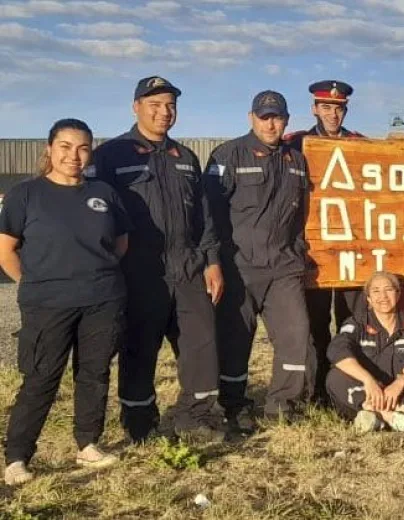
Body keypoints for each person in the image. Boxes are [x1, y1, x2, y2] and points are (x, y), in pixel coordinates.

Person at [90, 76, 226, 443]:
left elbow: (204, 218)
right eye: (155, 105)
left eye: (170, 106)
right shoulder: (109, 156)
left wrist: (212, 261)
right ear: (136, 107)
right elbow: (94, 214)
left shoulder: (185, 158)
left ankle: (197, 418)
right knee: (139, 348)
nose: (164, 112)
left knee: (200, 346)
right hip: (139, 270)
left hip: (188, 267)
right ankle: (139, 424)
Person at [1, 119, 130, 485]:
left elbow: (120, 244)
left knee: (94, 374)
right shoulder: (25, 194)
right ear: (49, 149)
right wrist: (35, 282)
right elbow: (6, 249)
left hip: (102, 301)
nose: (74, 155)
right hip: (47, 304)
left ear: (91, 151)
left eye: (83, 147)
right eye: (65, 146)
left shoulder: (104, 193)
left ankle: (88, 443)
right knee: (41, 378)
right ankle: (18, 457)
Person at [205, 90, 315, 430]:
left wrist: (296, 251)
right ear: (251, 117)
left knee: (296, 335)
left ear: (286, 120)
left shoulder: (296, 161)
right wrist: (213, 260)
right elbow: (209, 213)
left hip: (283, 267)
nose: (271, 123)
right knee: (235, 341)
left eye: (277, 117)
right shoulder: (228, 155)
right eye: (265, 116)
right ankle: (232, 406)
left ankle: (282, 404)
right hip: (240, 267)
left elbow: (302, 215)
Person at [285, 79, 366, 406]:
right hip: (314, 250)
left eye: (339, 108)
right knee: (316, 324)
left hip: (351, 248)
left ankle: (350, 384)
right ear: (315, 109)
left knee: (352, 320)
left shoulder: (360, 145)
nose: (333, 114)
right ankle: (319, 389)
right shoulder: (297, 144)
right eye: (327, 108)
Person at [325, 272, 404, 433]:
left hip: (401, 395)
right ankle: (383, 415)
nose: (383, 296)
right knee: (334, 377)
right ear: (368, 298)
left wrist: (400, 383)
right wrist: (368, 380)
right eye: (375, 291)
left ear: (398, 293)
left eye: (388, 289)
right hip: (367, 393)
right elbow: (337, 351)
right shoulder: (356, 323)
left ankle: (403, 410)